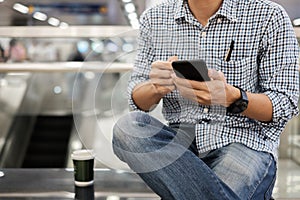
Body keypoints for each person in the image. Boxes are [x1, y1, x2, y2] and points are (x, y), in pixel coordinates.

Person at [112, 0, 299, 199]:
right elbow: (137, 101)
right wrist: (155, 87)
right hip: (180, 140)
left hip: (245, 140)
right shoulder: (154, 17)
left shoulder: (268, 15)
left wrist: (233, 98)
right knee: (128, 128)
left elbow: (285, 102)